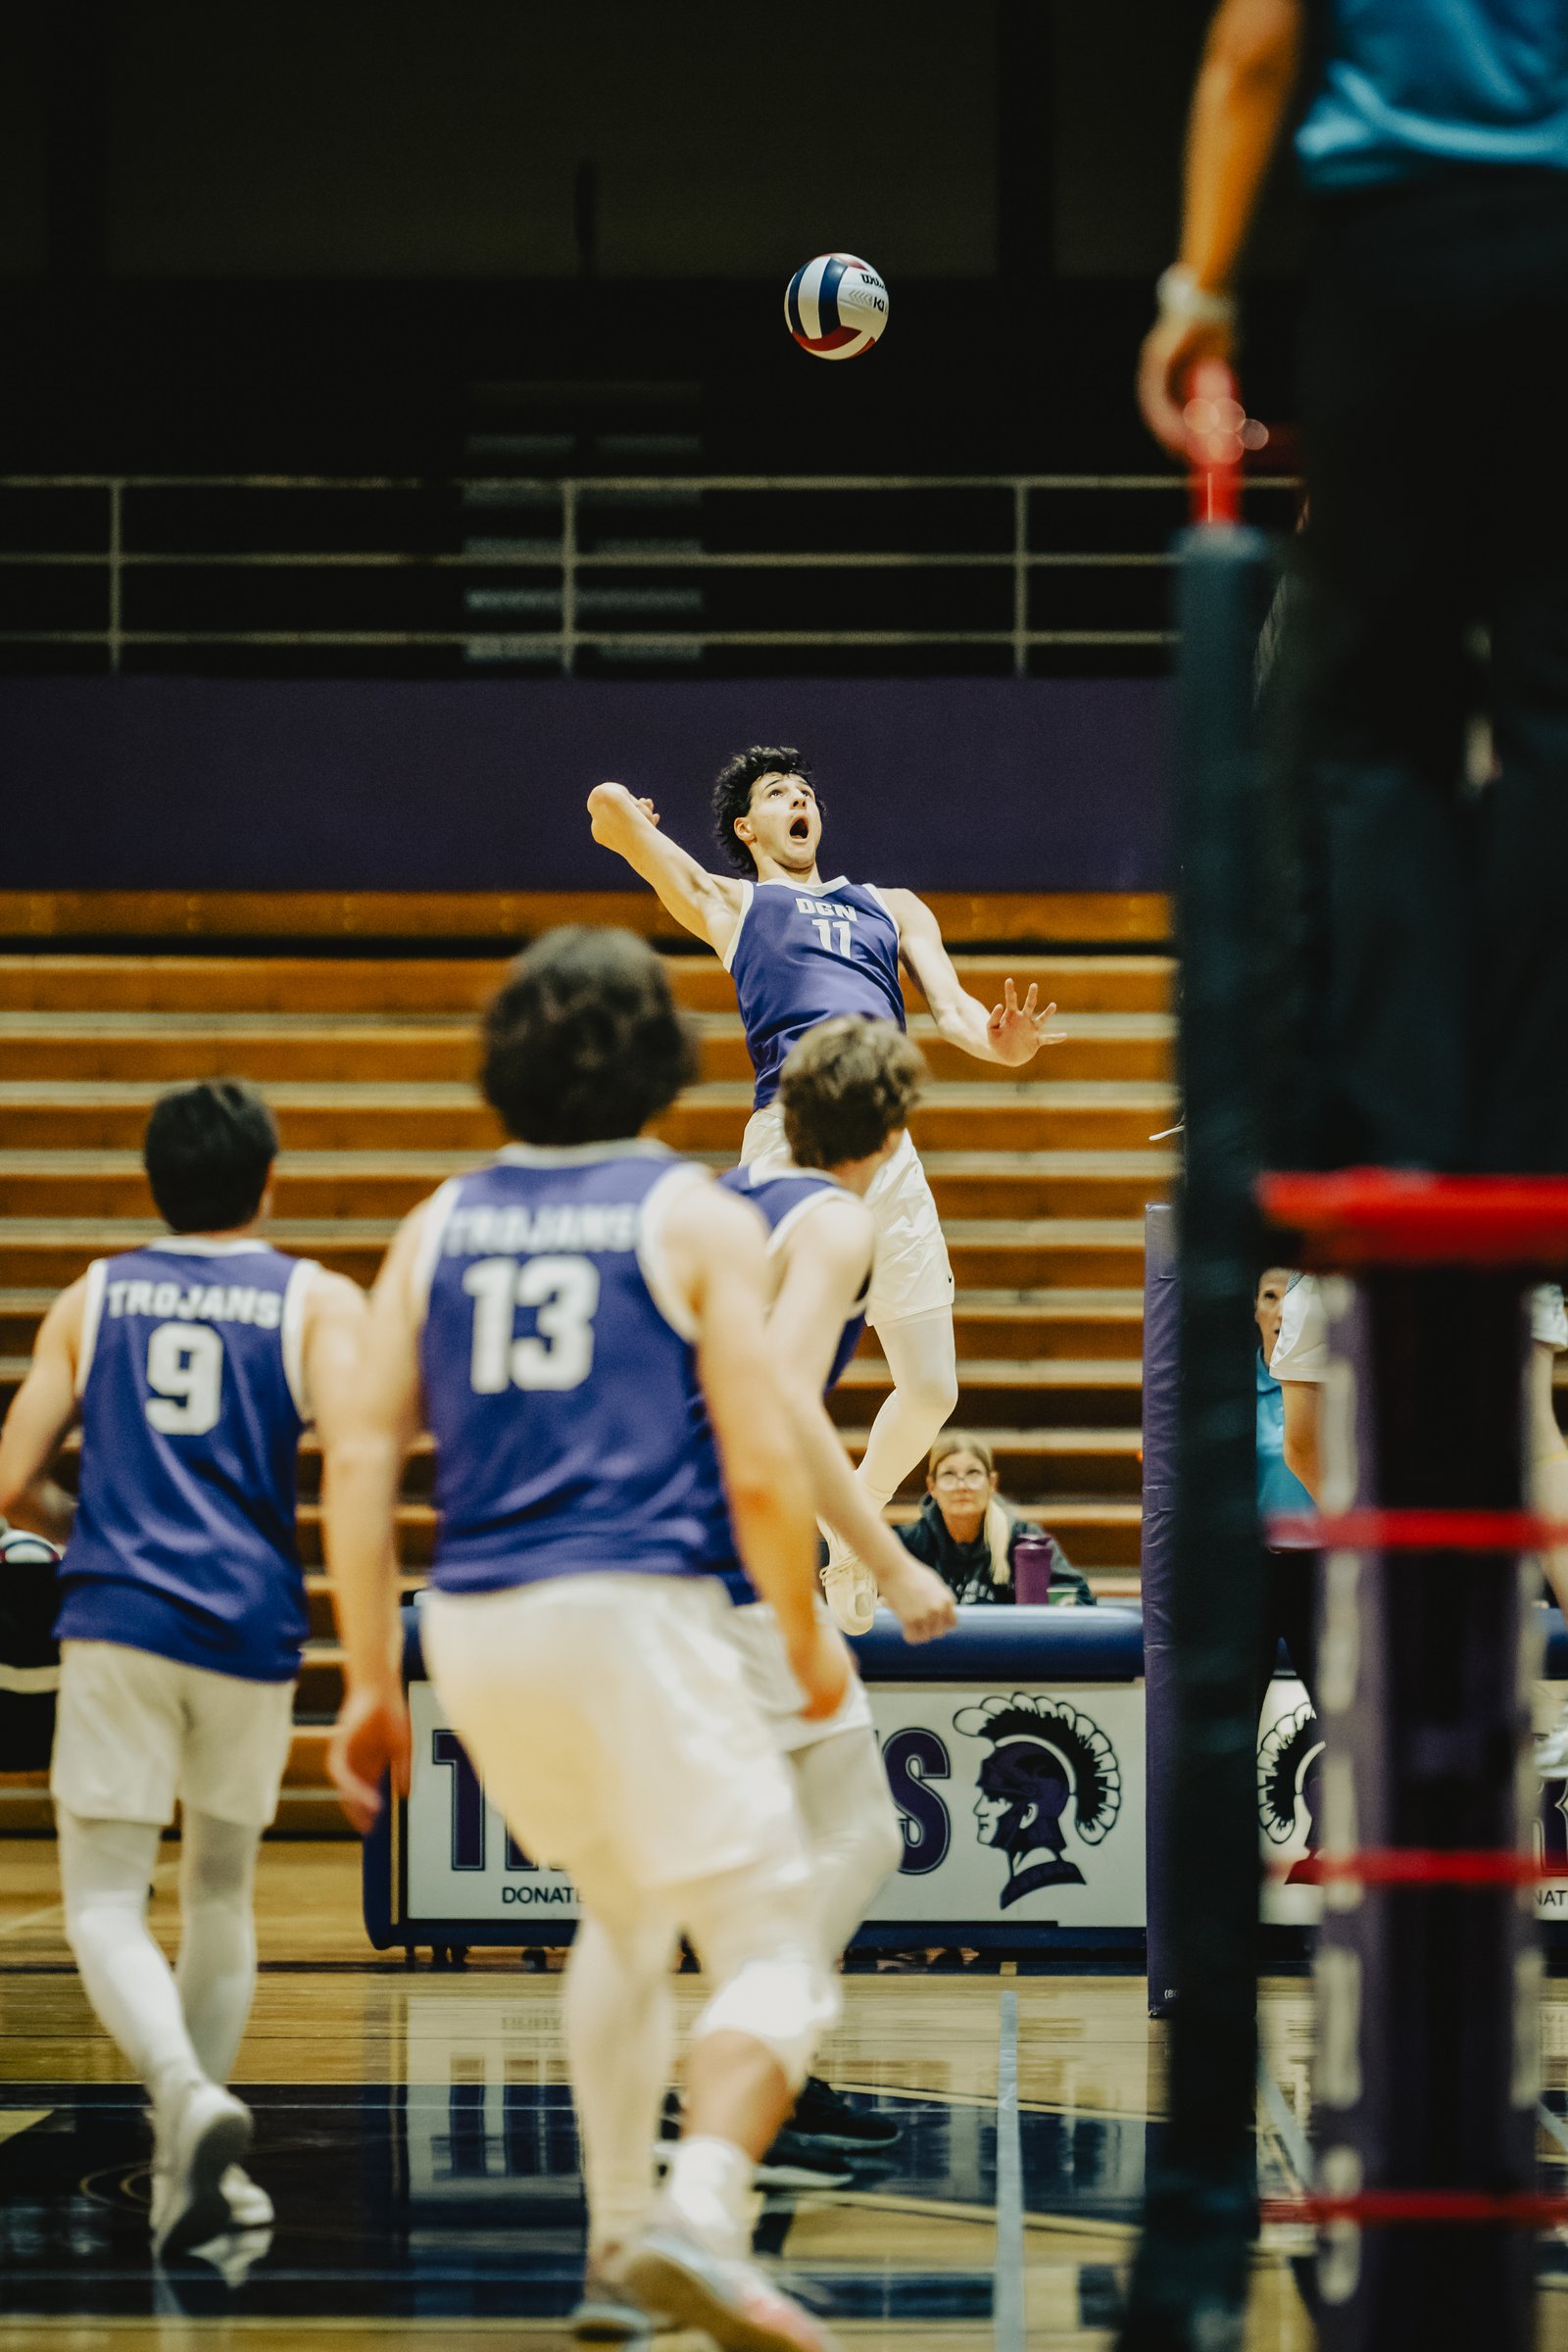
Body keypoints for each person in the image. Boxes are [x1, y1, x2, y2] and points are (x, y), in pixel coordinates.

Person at [322, 928, 848, 2352]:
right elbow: (759, 1463)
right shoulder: (694, 1216)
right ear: (663, 1058)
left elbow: (360, 1459)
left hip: (476, 1627)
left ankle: (618, 2242)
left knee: (619, 1911)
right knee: (777, 1942)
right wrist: (803, 1633)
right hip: (634, 1611)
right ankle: (703, 2206)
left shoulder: (436, 1222)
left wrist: (369, 1679)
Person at [1138, 0, 1568, 1172]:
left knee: (1381, 722)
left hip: (1393, 248)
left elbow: (1253, 48)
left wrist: (1199, 292)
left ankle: (1403, 1119)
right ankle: (1540, 1124)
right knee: (1554, 713)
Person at [0, 1079, 367, 2259]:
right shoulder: (312, 1298)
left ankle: (183, 2096)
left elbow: (11, 1479)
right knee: (218, 1893)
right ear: (269, 1183)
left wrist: (80, 1518)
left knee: (105, 1900)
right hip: (249, 1625)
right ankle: (187, 2174)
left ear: (153, 1182)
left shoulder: (93, 1295)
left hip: (116, 1616)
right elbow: (361, 1460)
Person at [588, 751, 1064, 1631]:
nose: (799, 799)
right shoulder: (735, 905)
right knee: (765, 1378)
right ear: (747, 828)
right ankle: (720, 1565)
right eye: (778, 794)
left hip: (887, 1145)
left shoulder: (893, 906)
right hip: (792, 1139)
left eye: (805, 791)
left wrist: (1006, 1047)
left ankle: (849, 1528)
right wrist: (630, 815)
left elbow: (959, 1014)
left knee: (932, 1391)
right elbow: (607, 812)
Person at [712, 1015, 956, 2173]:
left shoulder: (723, 1202)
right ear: (891, 1137)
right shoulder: (835, 1221)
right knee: (857, 1833)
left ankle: (779, 2077)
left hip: (675, 1546)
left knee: (791, 1841)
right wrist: (886, 1559)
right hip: (737, 1555)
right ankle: (735, 2067)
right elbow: (777, 1400)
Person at [896, 1431, 1095, 1608]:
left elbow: (1080, 1597)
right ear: (932, 1487)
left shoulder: (1024, 1540)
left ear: (992, 1483)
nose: (962, 1486)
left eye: (973, 1474)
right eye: (949, 1475)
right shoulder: (908, 1542)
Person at [1252, 1267, 1318, 1721]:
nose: (1281, 1310)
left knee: (1339, 1714)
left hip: (1319, 1567)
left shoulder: (1328, 1387)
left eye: (1289, 1297)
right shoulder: (1227, 1390)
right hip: (1253, 1569)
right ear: (1255, 1309)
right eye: (1270, 1297)